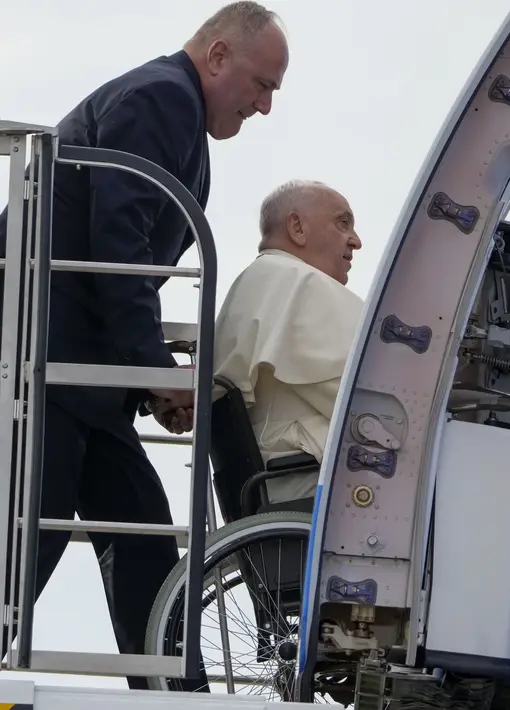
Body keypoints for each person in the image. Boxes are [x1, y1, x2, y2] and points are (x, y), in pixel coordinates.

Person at [0, 2, 289, 690]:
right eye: (262, 84)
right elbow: (118, 244)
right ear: (218, 56)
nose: (265, 106)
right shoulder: (161, 97)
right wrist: (153, 368)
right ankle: (171, 688)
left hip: (81, 371)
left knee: (140, 536)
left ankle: (173, 691)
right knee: (33, 533)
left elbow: (117, 256)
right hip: (49, 359)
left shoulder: (176, 115)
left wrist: (148, 379)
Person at [213, 180, 364, 505]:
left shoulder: (258, 282)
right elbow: (373, 402)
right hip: (311, 487)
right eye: (343, 223)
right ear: (296, 227)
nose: (356, 241)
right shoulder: (300, 284)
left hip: (273, 486)